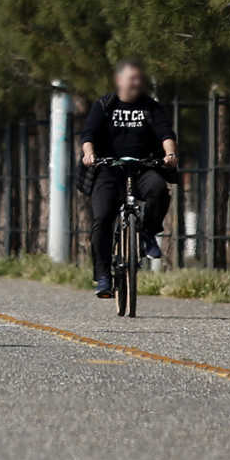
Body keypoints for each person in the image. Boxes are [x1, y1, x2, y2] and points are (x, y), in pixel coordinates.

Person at [79, 61, 178, 300]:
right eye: (131, 78)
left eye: (138, 79)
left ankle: (147, 232)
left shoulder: (150, 107)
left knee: (158, 190)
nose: (136, 83)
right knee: (102, 219)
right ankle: (103, 276)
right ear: (120, 80)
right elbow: (88, 134)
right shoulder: (104, 105)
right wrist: (88, 154)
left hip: (143, 167)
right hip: (109, 169)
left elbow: (165, 133)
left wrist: (170, 154)